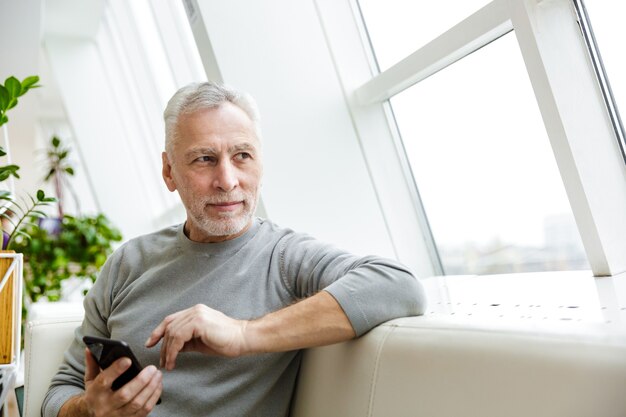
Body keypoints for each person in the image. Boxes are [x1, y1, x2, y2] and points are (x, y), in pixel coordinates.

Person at [42, 82, 426, 417]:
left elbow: (397, 286)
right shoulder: (128, 262)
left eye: (242, 155)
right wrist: (88, 411)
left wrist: (242, 334)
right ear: (169, 172)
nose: (227, 181)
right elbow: (60, 391)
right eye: (204, 159)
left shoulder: (285, 257)